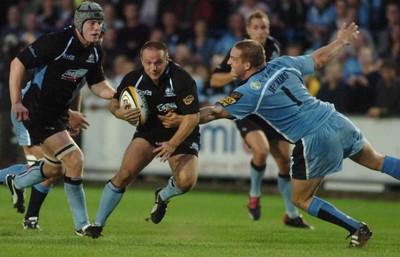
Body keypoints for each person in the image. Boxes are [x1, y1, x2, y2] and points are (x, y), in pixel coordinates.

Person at [198, 22, 400, 248]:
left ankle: (356, 227)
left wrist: (184, 119)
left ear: (247, 64)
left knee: (300, 199)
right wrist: (342, 41)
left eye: (233, 59)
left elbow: (214, 112)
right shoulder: (283, 63)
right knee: (378, 161)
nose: (228, 62)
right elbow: (319, 59)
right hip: (335, 119)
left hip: (313, 137)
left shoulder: (248, 91)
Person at [4, 1, 116, 237]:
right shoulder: (57, 42)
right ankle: (82, 225)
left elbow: (96, 85)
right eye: (92, 23)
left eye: (100, 23)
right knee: (74, 159)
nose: (97, 28)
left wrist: (117, 94)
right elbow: (17, 63)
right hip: (35, 110)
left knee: (53, 169)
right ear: (79, 23)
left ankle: (17, 182)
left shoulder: (95, 51)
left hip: (57, 114)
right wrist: (16, 102)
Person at [86, 41, 200, 238]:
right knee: (124, 173)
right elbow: (114, 104)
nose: (153, 68)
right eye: (148, 63)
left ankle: (163, 196)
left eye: (158, 62)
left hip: (181, 133)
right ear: (141, 60)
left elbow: (193, 117)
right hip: (148, 132)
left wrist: (173, 144)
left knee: (186, 182)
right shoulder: (133, 78)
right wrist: (120, 113)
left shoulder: (181, 79)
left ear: (167, 59)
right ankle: (97, 225)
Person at [209, 10, 311, 228]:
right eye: (255, 27)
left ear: (268, 29)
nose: (260, 31)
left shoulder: (273, 47)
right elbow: (215, 79)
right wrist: (233, 74)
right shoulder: (239, 51)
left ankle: (291, 215)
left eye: (263, 27)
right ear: (248, 30)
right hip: (246, 107)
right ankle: (254, 194)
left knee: (284, 161)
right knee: (261, 151)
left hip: (271, 109)